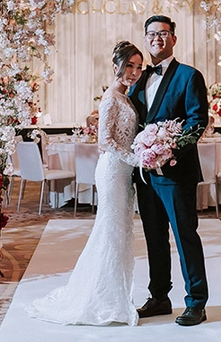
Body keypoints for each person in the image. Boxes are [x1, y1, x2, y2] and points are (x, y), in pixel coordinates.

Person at [26, 41, 143, 326]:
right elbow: (105, 141)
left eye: (139, 67)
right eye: (130, 65)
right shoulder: (111, 98)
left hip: (123, 171)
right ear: (116, 65)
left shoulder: (126, 96)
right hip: (114, 170)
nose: (134, 72)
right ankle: (99, 299)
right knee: (110, 231)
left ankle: (114, 296)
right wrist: (136, 159)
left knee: (119, 232)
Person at [129, 15, 209, 326]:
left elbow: (196, 121)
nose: (157, 39)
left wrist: (168, 151)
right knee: (154, 238)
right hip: (146, 175)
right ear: (146, 38)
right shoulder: (138, 79)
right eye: (151, 34)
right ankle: (160, 296)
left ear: (173, 38)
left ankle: (197, 302)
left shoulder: (189, 76)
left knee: (185, 235)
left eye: (163, 34)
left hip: (176, 173)